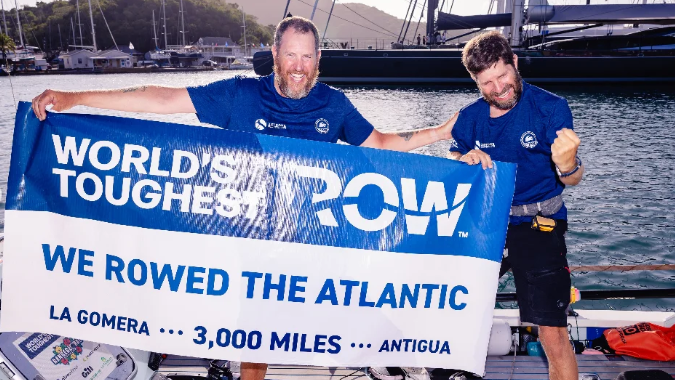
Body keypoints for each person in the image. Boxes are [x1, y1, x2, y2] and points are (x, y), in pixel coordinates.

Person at [33, 16, 456, 380]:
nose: (298, 67)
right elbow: (163, 99)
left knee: (360, 297)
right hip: (251, 239)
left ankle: (392, 359)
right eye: (290, 55)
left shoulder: (334, 105)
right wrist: (74, 98)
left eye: (307, 57)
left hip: (313, 238)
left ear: (318, 60)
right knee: (257, 334)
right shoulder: (240, 95)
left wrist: (439, 133)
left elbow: (378, 143)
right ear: (274, 54)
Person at [447, 31, 583, 380]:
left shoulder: (550, 107)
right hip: (488, 220)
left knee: (551, 330)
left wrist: (567, 163)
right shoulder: (469, 117)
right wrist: (465, 157)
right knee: (451, 302)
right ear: (476, 82)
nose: (499, 88)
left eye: (503, 75)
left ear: (515, 64)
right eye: (487, 82)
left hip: (540, 223)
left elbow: (572, 177)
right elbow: (454, 157)